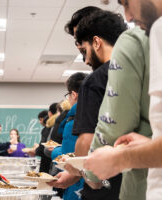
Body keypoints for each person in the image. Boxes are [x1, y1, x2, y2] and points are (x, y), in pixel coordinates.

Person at [84, 1, 162, 200]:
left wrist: (119, 159)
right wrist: (148, 143)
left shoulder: (140, 37)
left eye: (126, 2)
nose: (127, 16)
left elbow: (115, 120)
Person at [54, 9, 127, 200]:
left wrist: (80, 170)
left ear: (96, 41)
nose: (85, 60)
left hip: (104, 187)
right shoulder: (142, 74)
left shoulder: (95, 81)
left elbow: (86, 140)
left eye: (83, 50)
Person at [50, 73, 87, 200]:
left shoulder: (73, 120)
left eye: (68, 96)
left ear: (74, 95)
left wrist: (55, 151)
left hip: (76, 185)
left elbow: (70, 156)